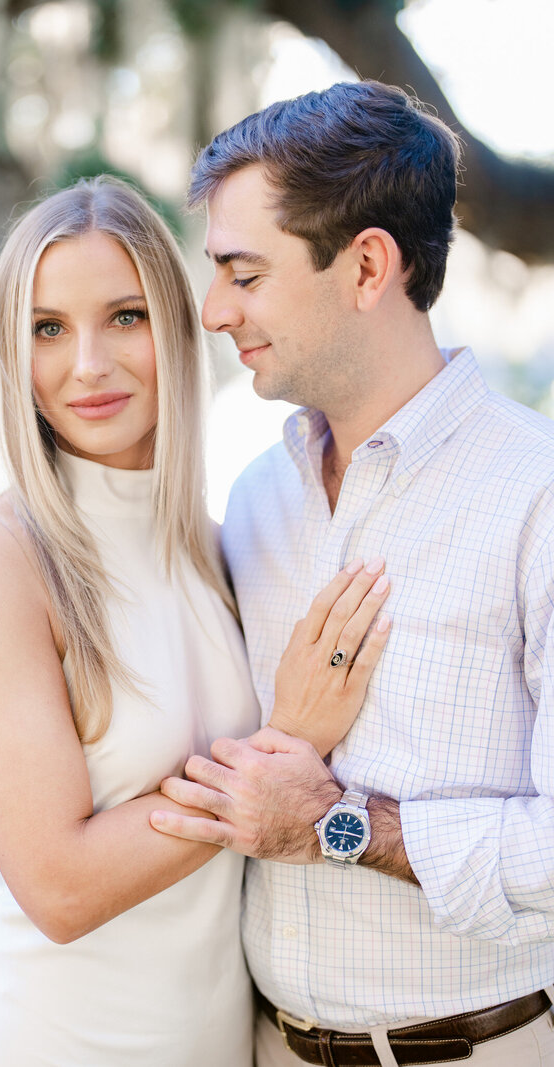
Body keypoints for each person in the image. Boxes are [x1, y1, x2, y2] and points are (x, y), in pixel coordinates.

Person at [0, 174, 391, 1066]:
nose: (88, 363)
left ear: (178, 327)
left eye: (125, 316)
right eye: (47, 328)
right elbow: (60, 890)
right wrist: (284, 739)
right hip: (47, 1039)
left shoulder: (227, 549)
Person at [146, 81, 554, 1066]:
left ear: (367, 264)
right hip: (257, 1043)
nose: (210, 311)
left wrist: (338, 824)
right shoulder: (253, 499)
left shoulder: (535, 493)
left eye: (242, 274)